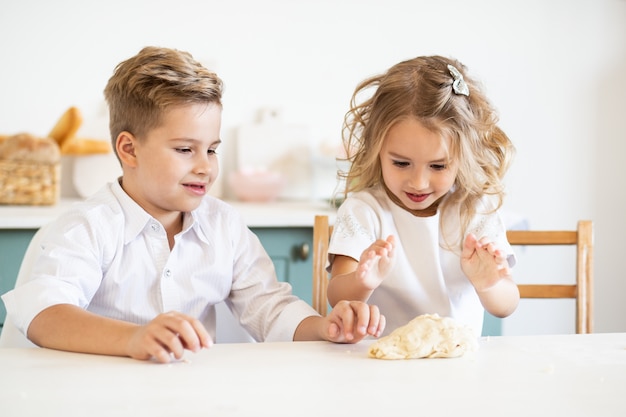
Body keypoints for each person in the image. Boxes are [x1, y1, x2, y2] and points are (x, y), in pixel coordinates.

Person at [1, 46, 385, 363]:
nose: (205, 166)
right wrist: (135, 339)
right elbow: (45, 314)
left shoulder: (225, 226)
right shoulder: (89, 225)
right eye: (185, 149)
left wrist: (326, 327)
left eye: (212, 149)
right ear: (129, 149)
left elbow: (270, 308)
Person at [326, 55, 519, 337]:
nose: (418, 182)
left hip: (454, 362)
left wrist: (489, 284)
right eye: (401, 163)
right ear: (376, 149)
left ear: (462, 157)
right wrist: (362, 282)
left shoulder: (475, 210)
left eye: (438, 166)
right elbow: (336, 294)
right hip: (381, 364)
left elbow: (507, 305)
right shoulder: (363, 210)